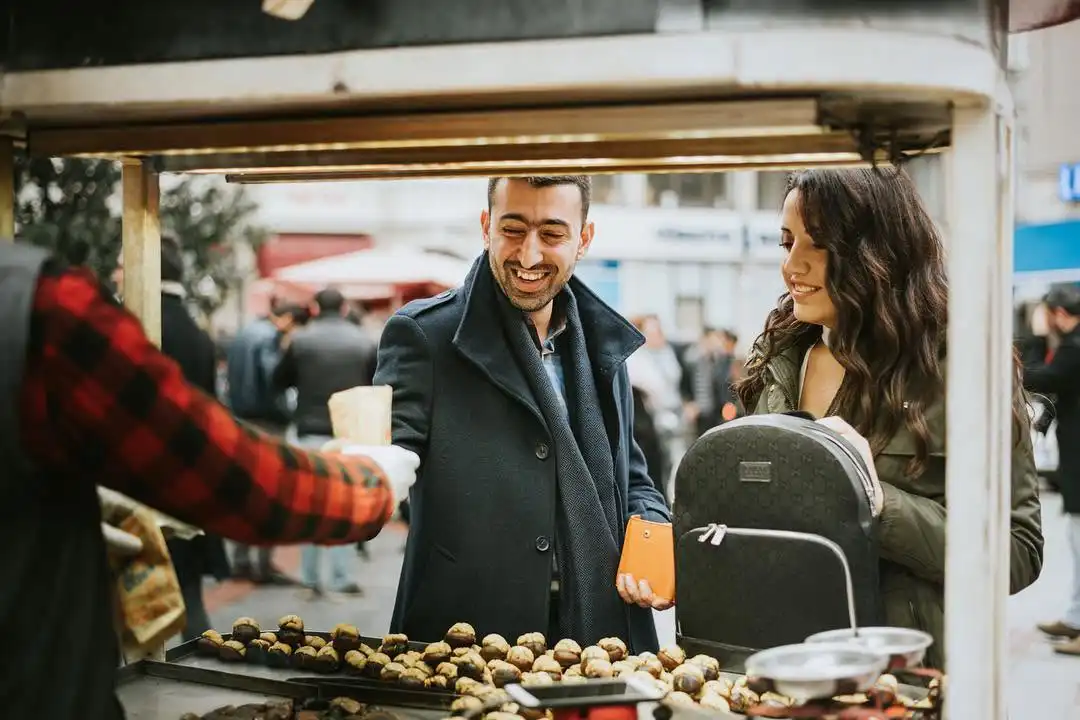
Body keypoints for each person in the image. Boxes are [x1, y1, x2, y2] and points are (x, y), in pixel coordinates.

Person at [0, 240, 420, 719]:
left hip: (296, 429)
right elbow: (225, 471)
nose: (117, 276)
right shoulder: (43, 307)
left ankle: (315, 577)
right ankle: (335, 577)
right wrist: (368, 486)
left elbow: (272, 385)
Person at [733, 167, 1044, 670]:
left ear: (877, 253)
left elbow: (1018, 551)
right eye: (787, 241)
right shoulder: (780, 357)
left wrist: (878, 501)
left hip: (899, 674)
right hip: (780, 655)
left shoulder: (958, 365)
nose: (793, 265)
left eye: (820, 244)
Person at [374, 175, 672, 652]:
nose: (529, 255)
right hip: (467, 636)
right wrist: (359, 478)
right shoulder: (423, 336)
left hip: (599, 632)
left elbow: (632, 477)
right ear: (486, 226)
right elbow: (384, 466)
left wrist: (652, 525)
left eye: (552, 234)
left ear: (584, 239)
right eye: (513, 230)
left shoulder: (603, 340)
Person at [274, 286, 379, 598]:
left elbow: (278, 381)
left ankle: (309, 577)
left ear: (316, 308)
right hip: (349, 433)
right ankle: (341, 576)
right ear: (344, 308)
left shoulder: (300, 340)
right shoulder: (363, 341)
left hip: (308, 431)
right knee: (346, 506)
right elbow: (374, 386)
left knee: (309, 506)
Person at [156, 234, 230, 640]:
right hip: (193, 475)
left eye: (120, 262)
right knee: (189, 592)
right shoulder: (197, 333)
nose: (115, 271)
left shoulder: (136, 325)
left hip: (147, 482)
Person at [225, 299, 303, 585]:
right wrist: (287, 413)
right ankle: (263, 564)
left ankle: (241, 561)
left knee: (243, 493)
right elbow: (273, 380)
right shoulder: (270, 338)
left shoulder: (244, 333)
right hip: (267, 423)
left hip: (239, 420)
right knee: (269, 494)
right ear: (285, 320)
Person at [1024, 286, 1080, 655]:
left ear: (1058, 314)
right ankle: (1076, 618)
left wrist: (1035, 336)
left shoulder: (1075, 347)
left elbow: (1038, 378)